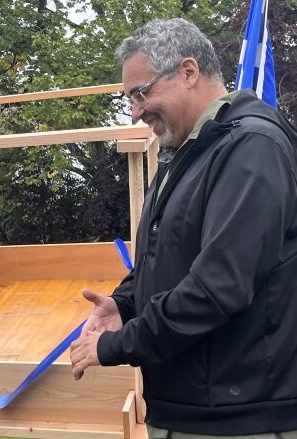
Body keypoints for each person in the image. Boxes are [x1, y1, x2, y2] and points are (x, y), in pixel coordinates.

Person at [69, 18, 297, 438]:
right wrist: (124, 304)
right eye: (129, 99)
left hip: (237, 421)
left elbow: (216, 287)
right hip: (191, 409)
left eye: (141, 92)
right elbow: (168, 254)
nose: (136, 112)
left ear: (188, 71)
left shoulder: (250, 148)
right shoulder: (189, 152)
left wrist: (116, 345)